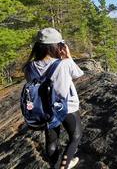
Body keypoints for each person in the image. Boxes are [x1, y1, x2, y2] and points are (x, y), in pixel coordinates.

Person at [23, 28, 84, 169]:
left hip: (45, 109)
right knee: (75, 137)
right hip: (68, 107)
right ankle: (64, 166)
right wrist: (68, 57)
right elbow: (78, 74)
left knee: (51, 142)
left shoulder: (29, 67)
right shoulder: (65, 63)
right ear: (57, 46)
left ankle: (55, 165)